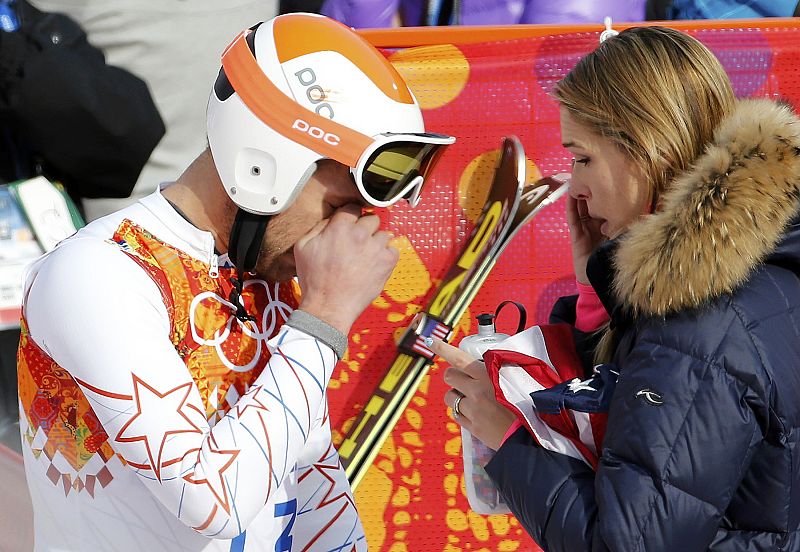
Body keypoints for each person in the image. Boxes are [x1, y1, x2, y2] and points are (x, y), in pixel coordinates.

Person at [17, 13, 454, 551]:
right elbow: (211, 502)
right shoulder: (96, 274)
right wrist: (323, 321)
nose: (348, 233)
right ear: (263, 166)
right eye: (340, 205)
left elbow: (313, 487)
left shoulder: (263, 276)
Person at [432, 25, 800, 550]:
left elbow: (628, 542)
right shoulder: (750, 265)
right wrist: (595, 294)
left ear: (646, 149)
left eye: (583, 157)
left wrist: (508, 438)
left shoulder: (699, 321)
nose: (575, 187)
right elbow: (647, 442)